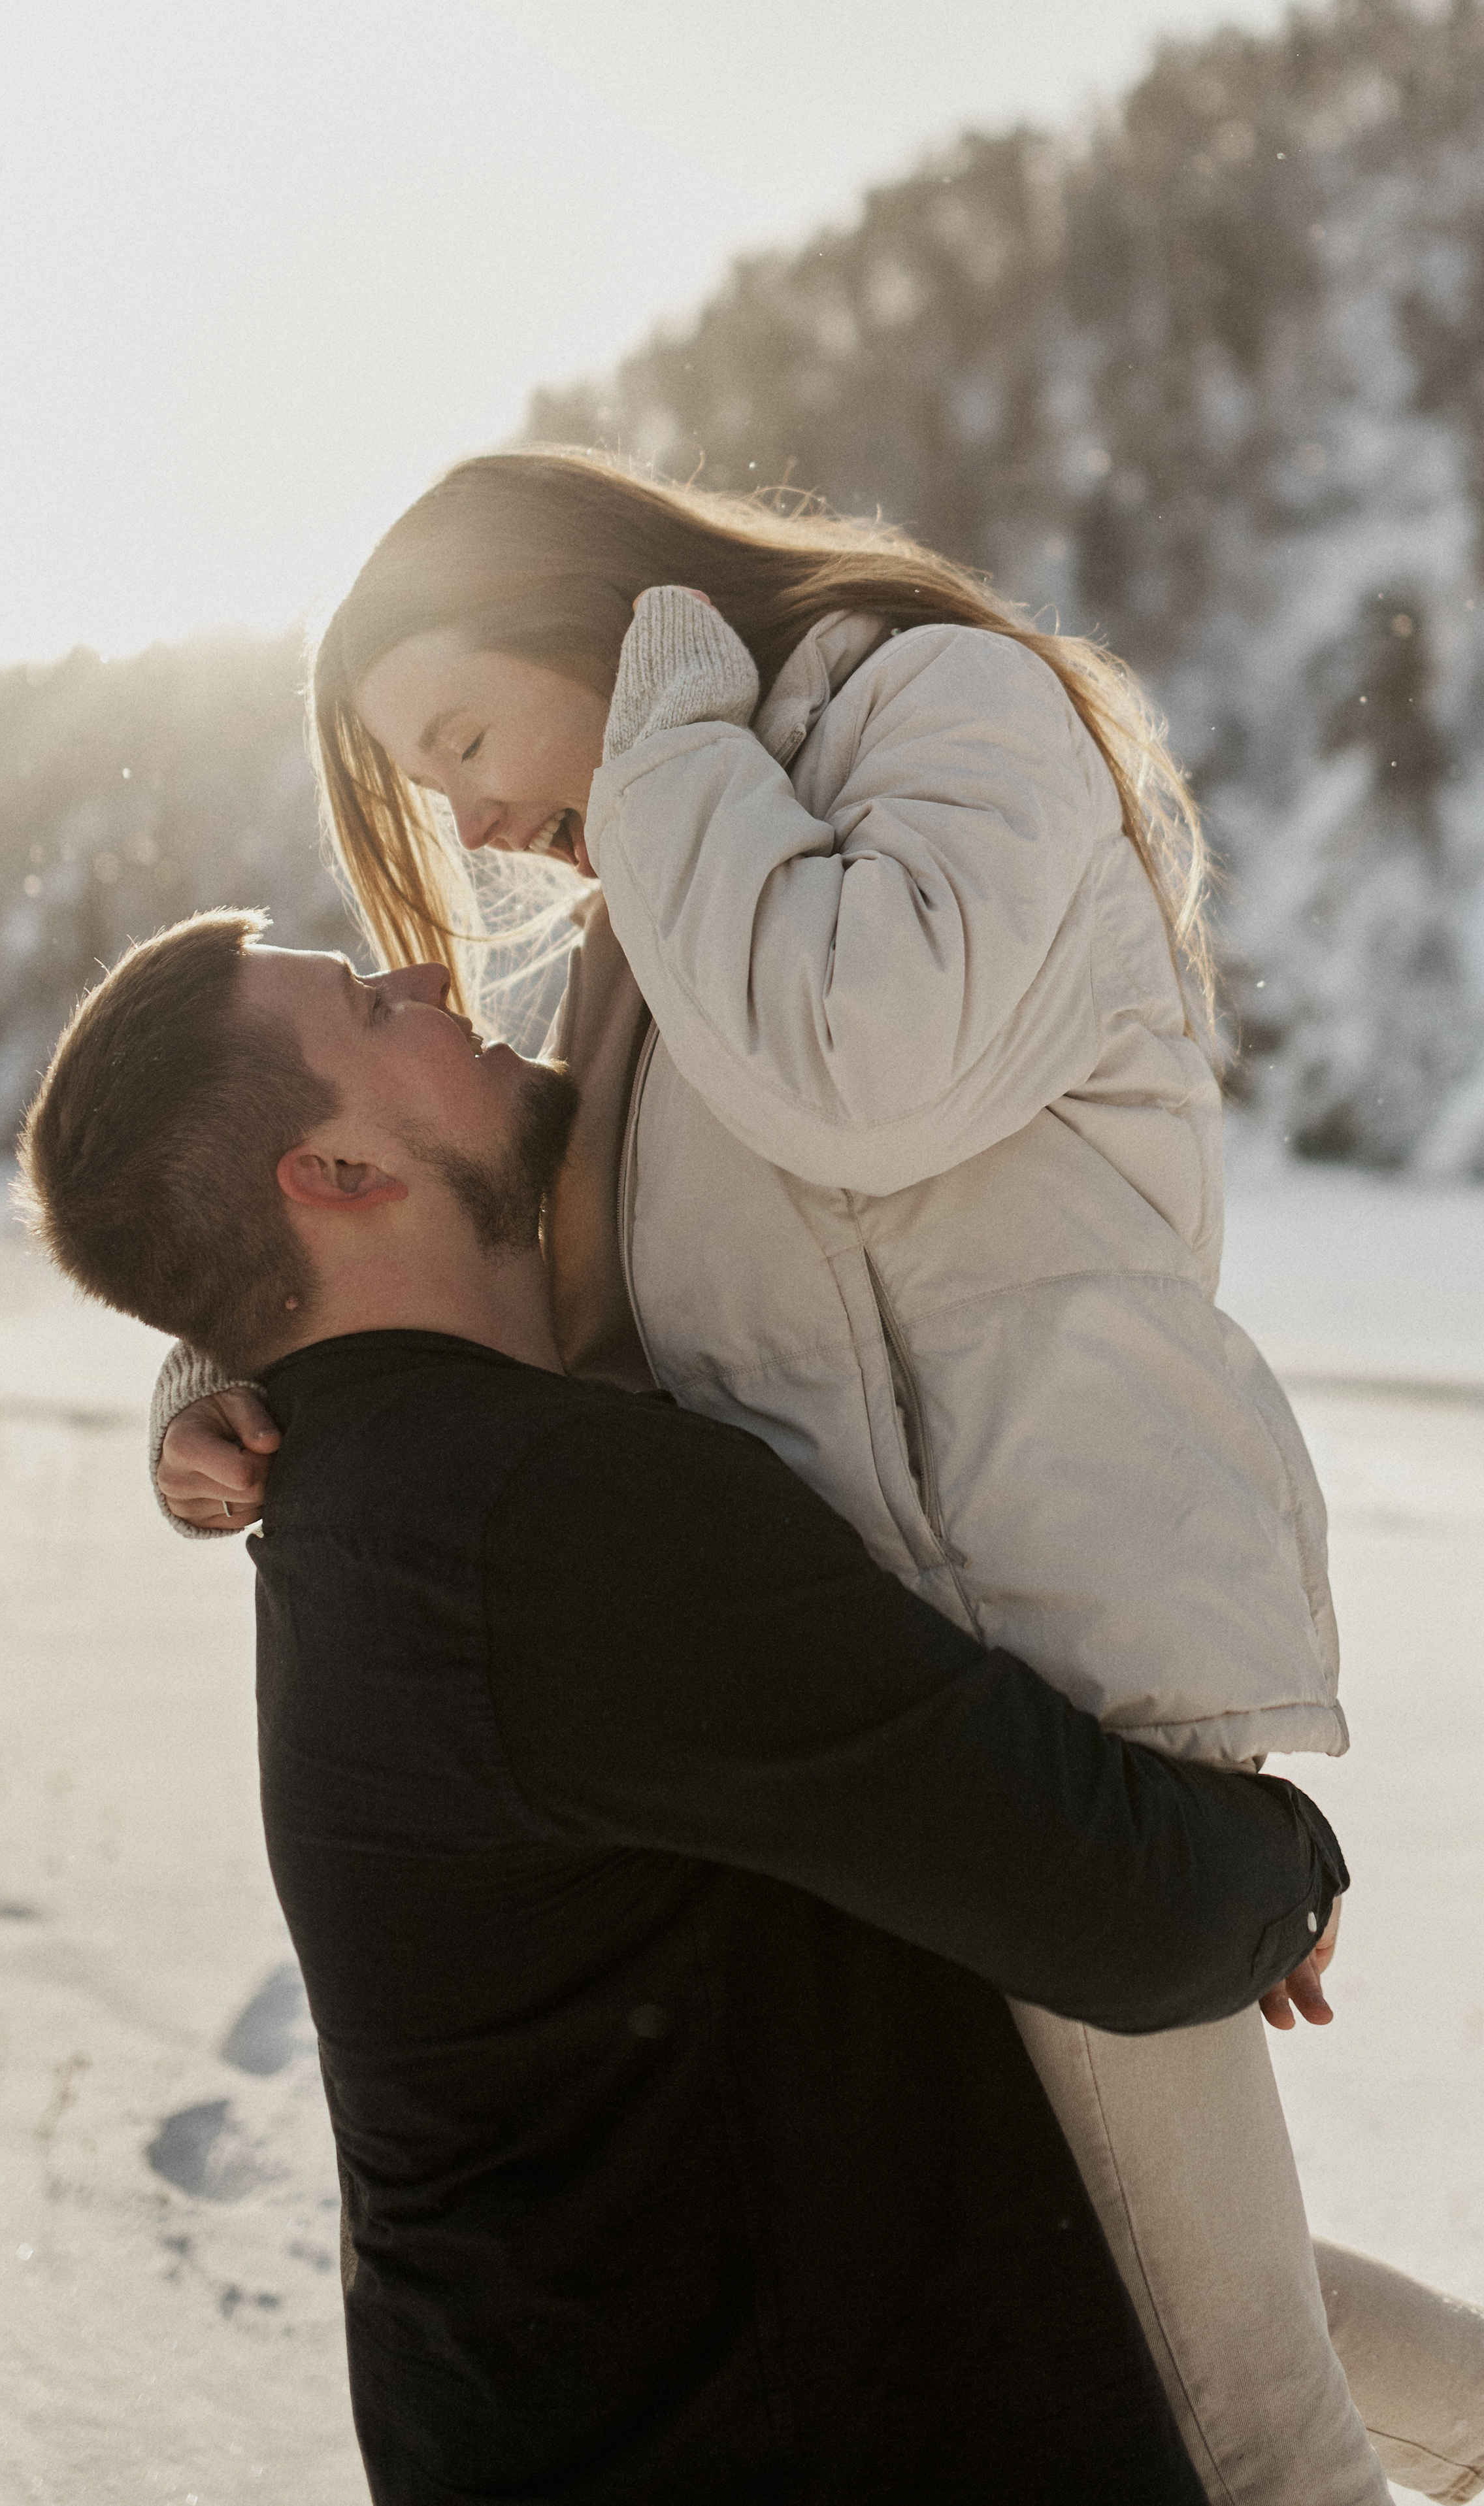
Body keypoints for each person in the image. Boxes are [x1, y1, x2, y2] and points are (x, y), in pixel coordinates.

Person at [152, 454, 1484, 2506]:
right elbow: (473, 1230)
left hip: (1060, 1671)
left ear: (587, 616)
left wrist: (673, 737)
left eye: (467, 742)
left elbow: (866, 1067)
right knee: (1110, 2275)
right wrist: (238, 1366)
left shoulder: (940, 711)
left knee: (1241, 2420)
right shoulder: (661, 908)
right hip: (879, 1729)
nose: (474, 827)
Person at [16, 907, 1360, 2504]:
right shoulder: (543, 1516)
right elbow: (1123, 1907)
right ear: (340, 1173)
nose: (427, 974)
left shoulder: (375, 1485)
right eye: (371, 1006)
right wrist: (1283, 1868)